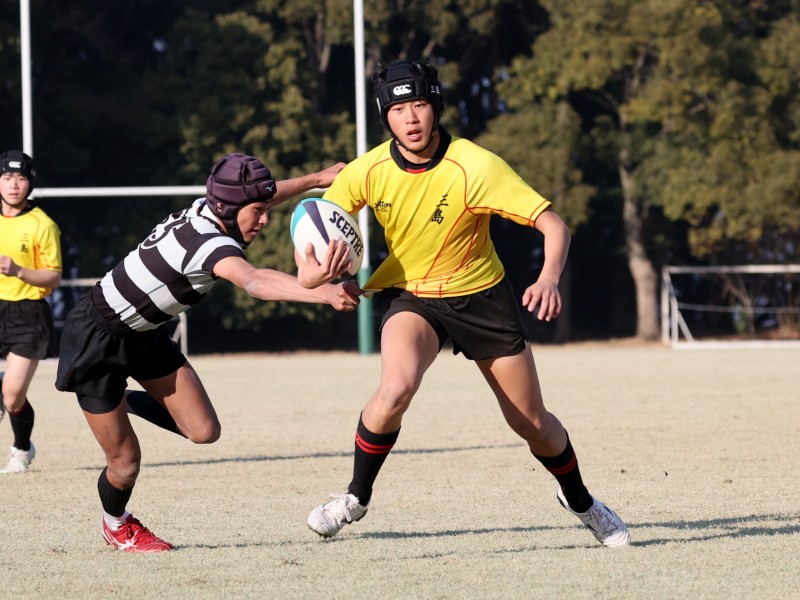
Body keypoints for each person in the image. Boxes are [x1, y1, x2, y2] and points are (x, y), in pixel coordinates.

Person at [304, 61, 631, 548]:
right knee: (395, 389)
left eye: (419, 105)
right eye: (398, 109)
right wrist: (319, 278)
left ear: (435, 108)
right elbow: (312, 246)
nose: (411, 118)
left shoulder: (474, 165)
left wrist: (548, 278)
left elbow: (554, 225)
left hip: (482, 298)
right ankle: (355, 497)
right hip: (414, 296)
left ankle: (581, 501)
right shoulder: (366, 171)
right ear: (385, 116)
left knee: (531, 422)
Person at [55, 153, 360, 553]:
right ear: (228, 208)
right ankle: (116, 524)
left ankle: (121, 402)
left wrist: (317, 179)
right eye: (258, 212)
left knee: (203, 431)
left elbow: (265, 196)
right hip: (98, 337)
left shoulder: (209, 208)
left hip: (145, 335)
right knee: (125, 463)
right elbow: (254, 281)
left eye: (265, 208)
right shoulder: (206, 243)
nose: (265, 220)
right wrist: (323, 292)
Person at [0, 150, 62, 474]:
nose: (13, 185)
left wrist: (18, 271)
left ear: (30, 183)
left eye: (21, 178)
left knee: (12, 397)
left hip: (28, 313)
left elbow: (53, 277)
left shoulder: (43, 224)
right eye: (7, 177)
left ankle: (22, 449)